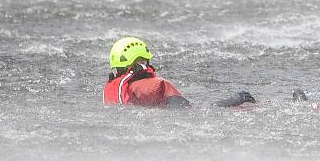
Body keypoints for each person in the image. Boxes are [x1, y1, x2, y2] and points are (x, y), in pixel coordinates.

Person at [103, 36, 255, 108]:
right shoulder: (156, 85)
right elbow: (192, 112)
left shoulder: (114, 88)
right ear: (142, 62)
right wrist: (233, 100)